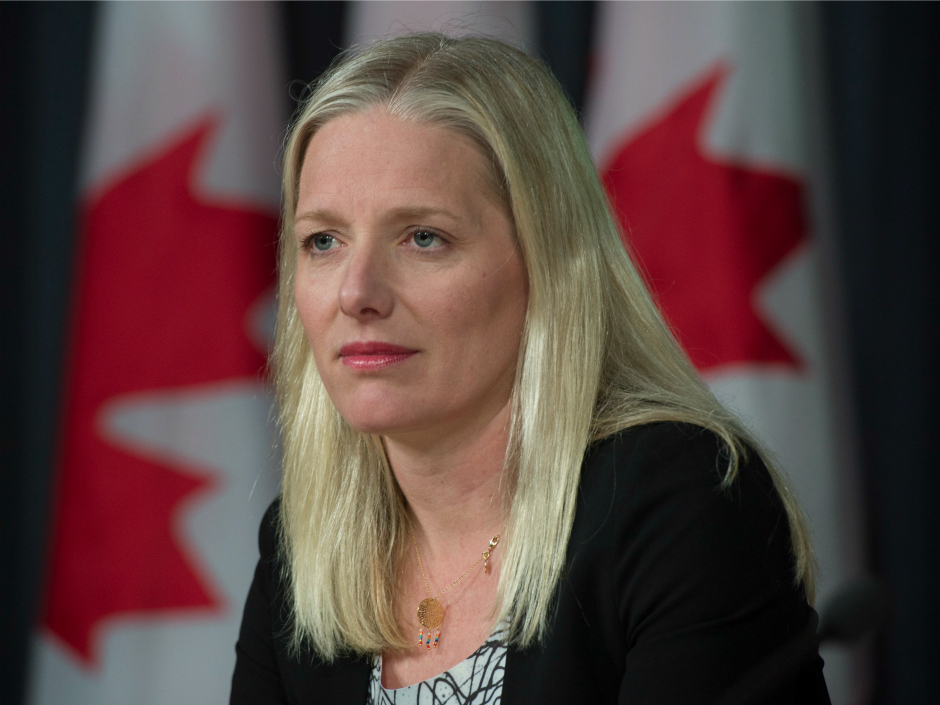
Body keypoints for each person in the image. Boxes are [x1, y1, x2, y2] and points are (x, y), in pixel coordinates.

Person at [230, 33, 830, 704]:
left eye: (424, 237)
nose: (356, 291)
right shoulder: (300, 549)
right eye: (323, 241)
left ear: (545, 266)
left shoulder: (680, 503)